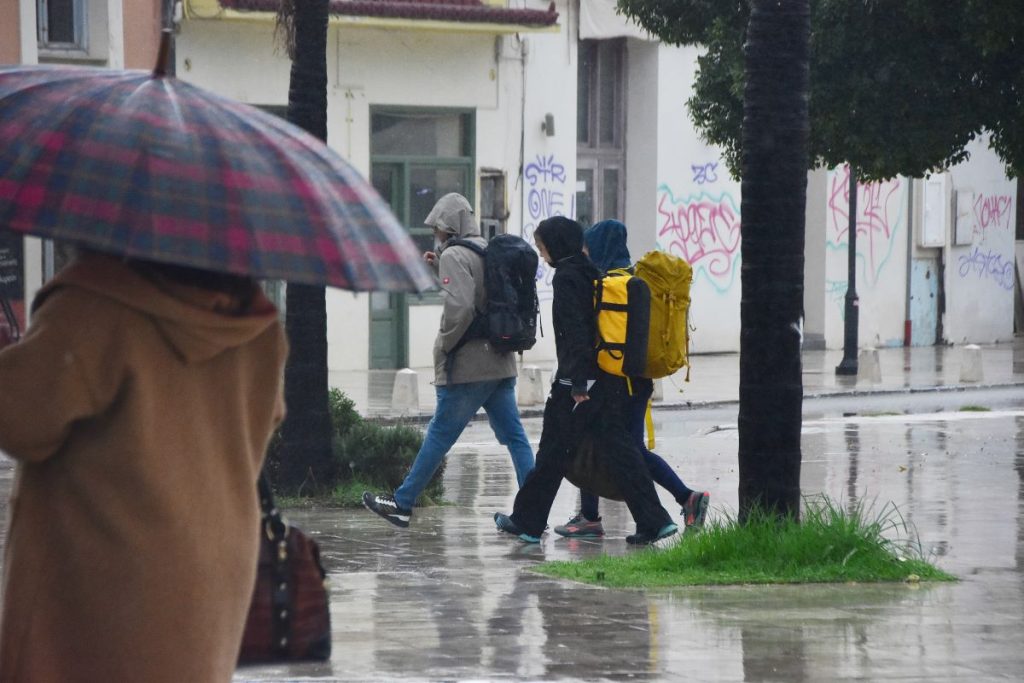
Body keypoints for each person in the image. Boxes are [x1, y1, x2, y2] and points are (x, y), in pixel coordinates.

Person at [0, 250, 287, 681]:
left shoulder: (94, 308)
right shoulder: (257, 329)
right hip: (211, 566)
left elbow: (19, 422)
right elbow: (263, 423)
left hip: (97, 572)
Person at [494, 216, 677, 545]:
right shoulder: (591, 271)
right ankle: (655, 520)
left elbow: (575, 333)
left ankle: (527, 522)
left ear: (555, 244)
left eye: (542, 247)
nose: (542, 254)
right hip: (604, 380)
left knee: (551, 453)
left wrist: (576, 383)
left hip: (576, 386)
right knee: (621, 451)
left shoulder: (566, 278)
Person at [363, 193, 534, 527]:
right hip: (500, 362)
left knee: (440, 433)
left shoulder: (455, 255)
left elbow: (461, 308)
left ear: (448, 226)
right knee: (515, 437)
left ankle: (402, 502)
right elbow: (480, 292)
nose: (435, 234)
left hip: (470, 366)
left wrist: (445, 344)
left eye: (437, 228)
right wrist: (439, 264)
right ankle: (533, 508)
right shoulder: (485, 248)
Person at [554, 220, 710, 538]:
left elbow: (588, 338)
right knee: (622, 446)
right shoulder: (637, 282)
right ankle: (594, 514)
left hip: (610, 382)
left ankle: (678, 499)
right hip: (638, 379)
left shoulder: (602, 286)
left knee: (612, 446)